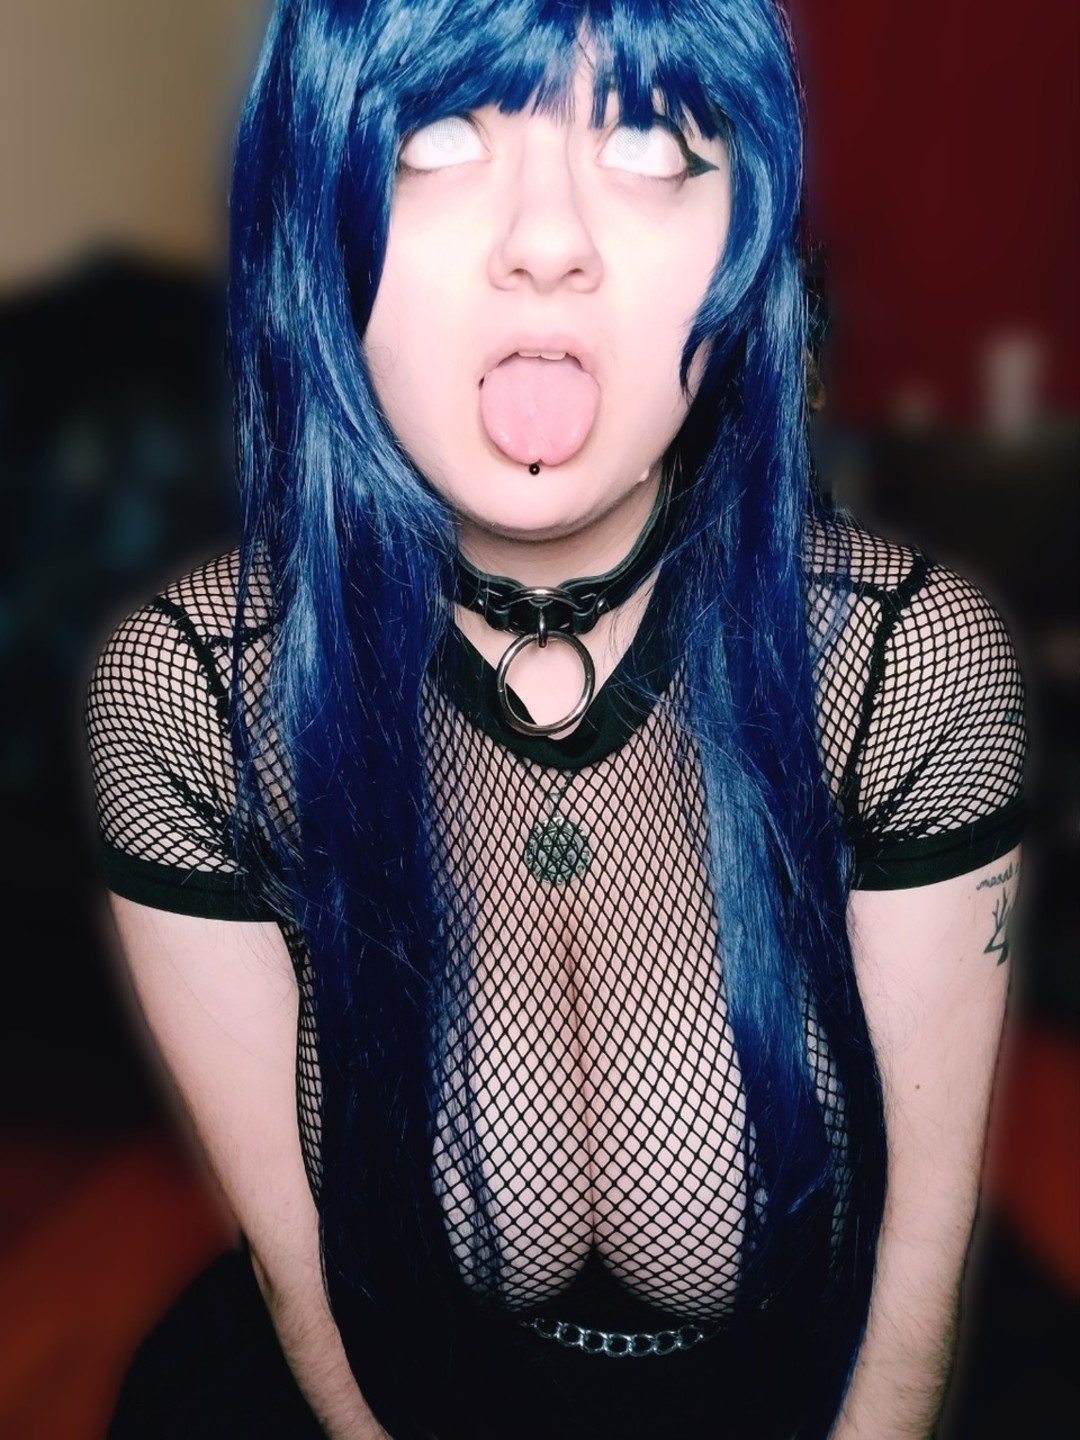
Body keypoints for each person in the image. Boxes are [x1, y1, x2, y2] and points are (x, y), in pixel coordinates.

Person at [85, 2, 1026, 1437]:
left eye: (647, 141)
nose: (546, 240)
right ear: (317, 216)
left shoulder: (898, 664)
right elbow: (301, 1277)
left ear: (748, 244)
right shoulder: (199, 696)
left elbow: (915, 1287)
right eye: (436, 134)